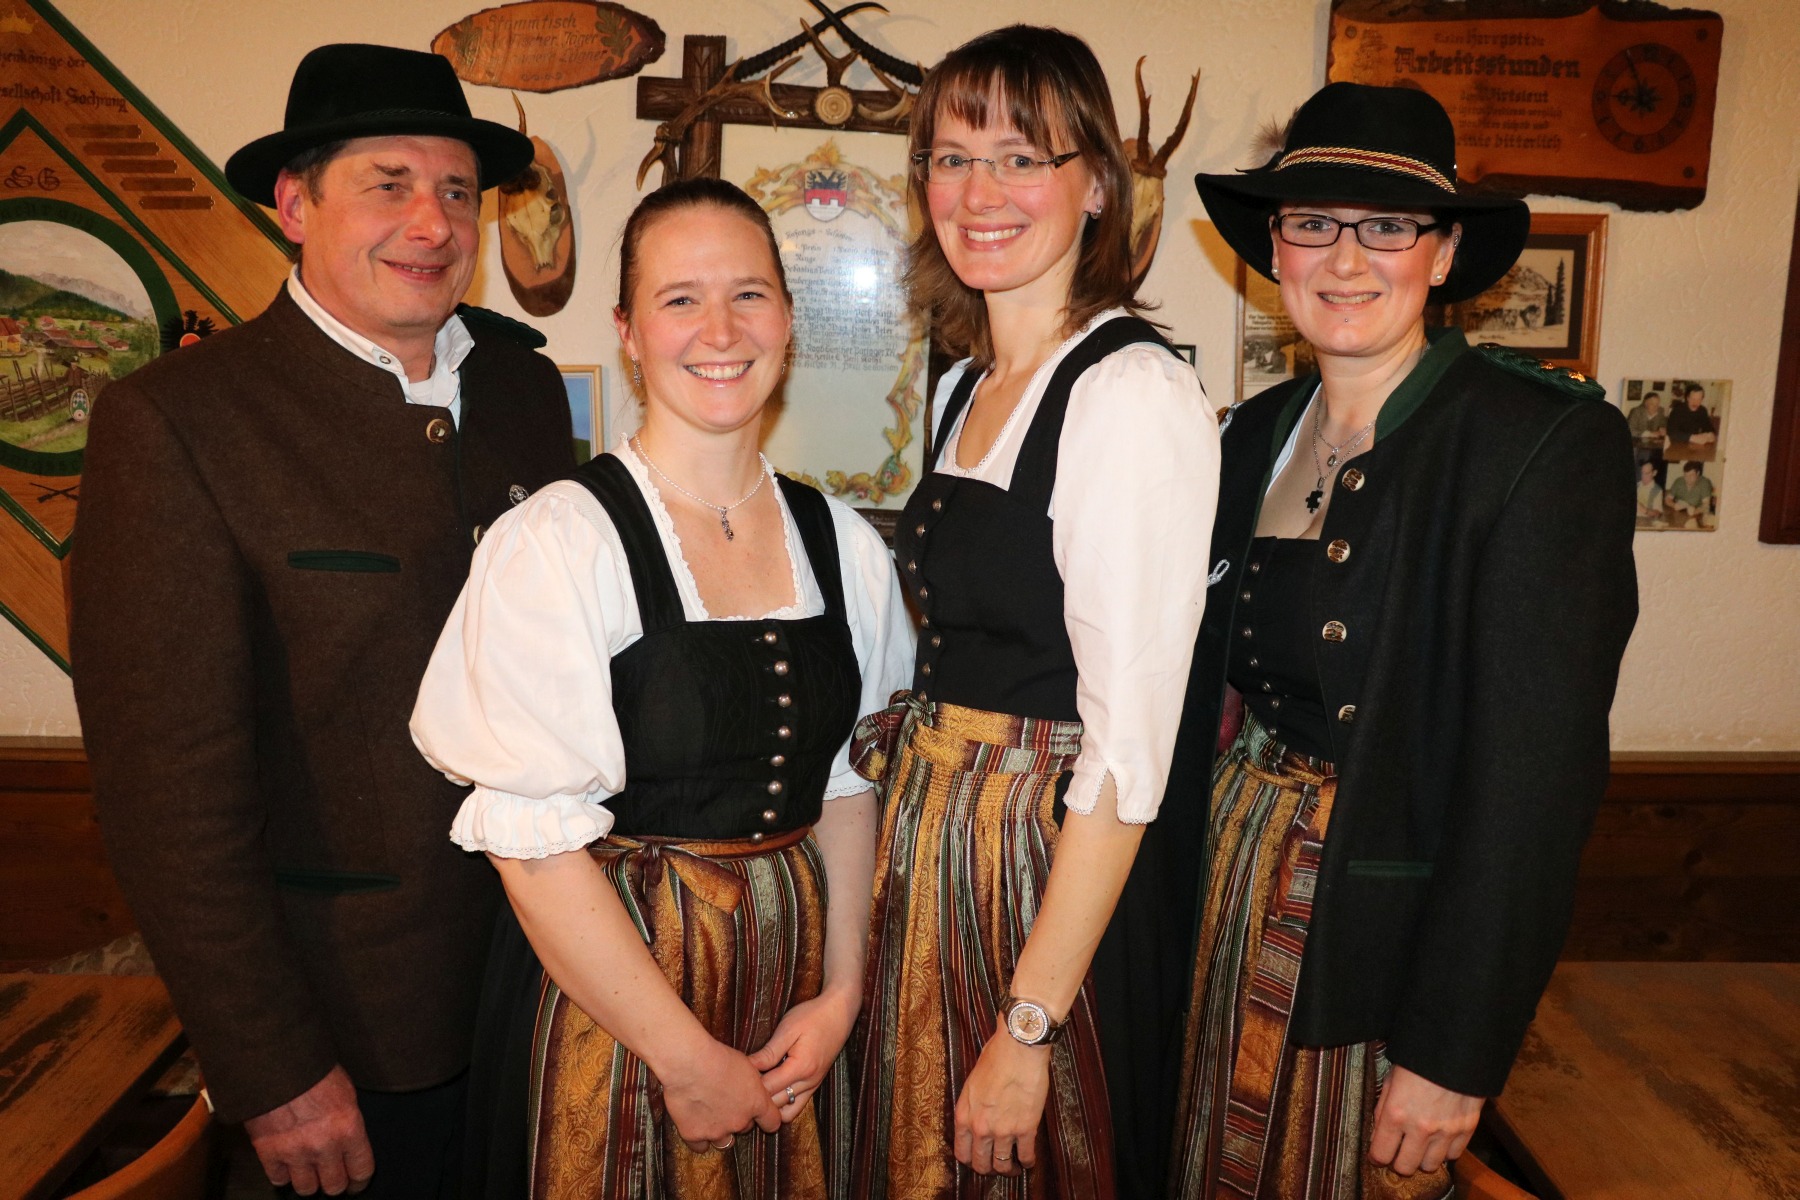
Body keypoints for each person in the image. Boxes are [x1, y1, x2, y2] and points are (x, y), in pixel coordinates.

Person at [69, 44, 573, 1198]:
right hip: (347, 1052)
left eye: (457, 191)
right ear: (296, 206)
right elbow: (168, 802)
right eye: (388, 184)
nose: (433, 223)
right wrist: (272, 1069)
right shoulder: (178, 423)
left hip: (543, 1002)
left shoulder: (523, 394)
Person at [1176, 82, 1637, 1198]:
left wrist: (1453, 1052)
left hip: (1380, 937)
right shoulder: (1246, 435)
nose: (1346, 259)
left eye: (1387, 226)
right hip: (1223, 891)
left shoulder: (1541, 442)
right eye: (1313, 223)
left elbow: (1534, 784)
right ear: (1274, 249)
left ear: (1444, 254)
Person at [409, 177, 913, 1199]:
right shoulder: (560, 541)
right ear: (629, 332)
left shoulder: (842, 543)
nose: (720, 331)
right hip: (618, 1007)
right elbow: (533, 846)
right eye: (680, 299)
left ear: (787, 319)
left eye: (749, 295)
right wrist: (685, 1060)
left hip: (793, 994)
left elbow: (847, 786)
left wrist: (843, 992)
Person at [849, 25, 1219, 1200]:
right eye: (952, 159)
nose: (980, 193)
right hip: (937, 854)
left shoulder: (1131, 393)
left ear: (1096, 183)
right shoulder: (965, 381)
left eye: (1021, 157)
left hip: (1045, 878)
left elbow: (1127, 756)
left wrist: (1029, 1024)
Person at [1666, 460, 1715, 526]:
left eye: (1691, 475)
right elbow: (1667, 499)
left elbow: (1706, 506)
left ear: (1698, 473)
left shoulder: (1704, 483)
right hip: (1679, 514)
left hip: (1697, 516)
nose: (1688, 478)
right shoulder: (1679, 481)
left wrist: (1695, 511)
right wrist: (1674, 505)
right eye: (1685, 475)